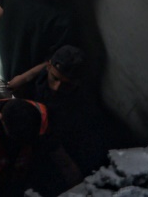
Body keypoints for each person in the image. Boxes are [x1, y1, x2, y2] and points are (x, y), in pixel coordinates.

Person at [11, 45, 92, 193]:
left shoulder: (77, 106)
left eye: (66, 84)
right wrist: (25, 77)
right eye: (55, 78)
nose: (56, 87)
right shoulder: (44, 75)